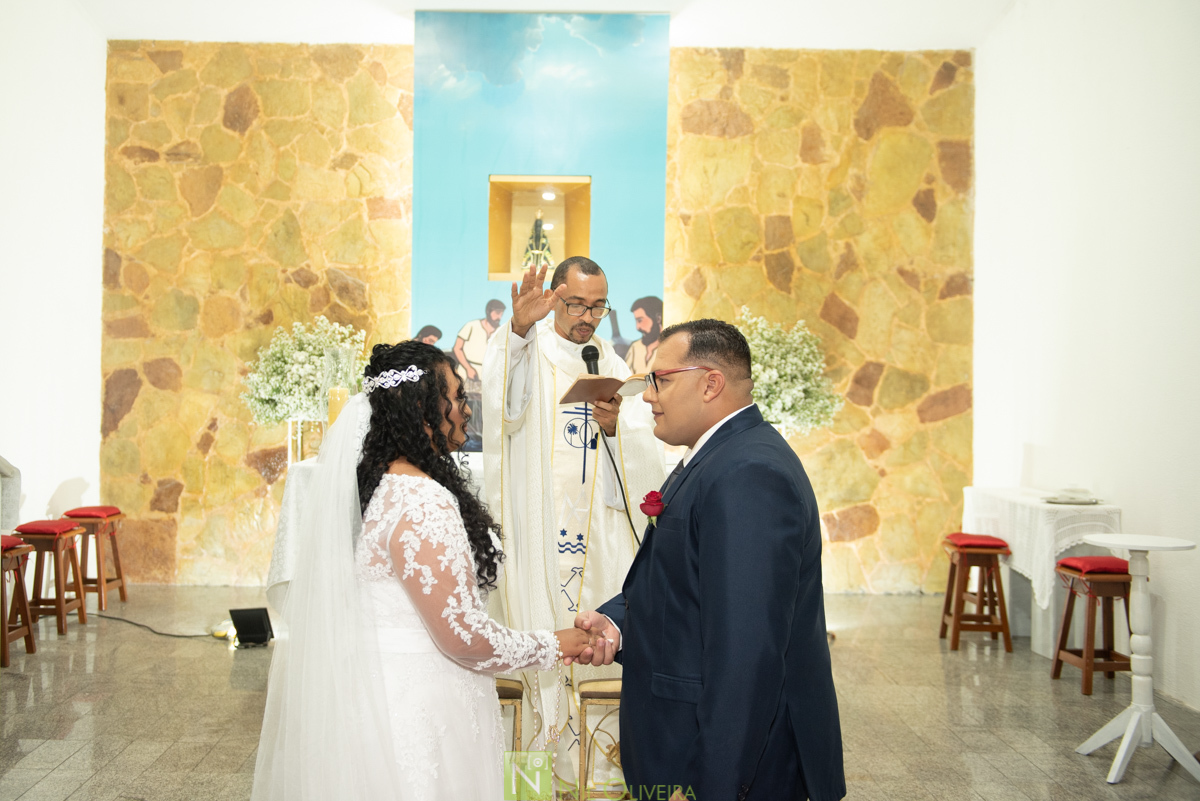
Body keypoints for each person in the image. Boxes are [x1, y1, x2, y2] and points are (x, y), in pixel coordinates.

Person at [252, 341, 597, 801]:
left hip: (387, 689)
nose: (465, 409)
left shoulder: (384, 483)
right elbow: (460, 636)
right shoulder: (420, 500)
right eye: (455, 397)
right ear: (422, 408)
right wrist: (551, 645)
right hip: (418, 706)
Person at [571, 319, 846, 801]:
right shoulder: (719, 455)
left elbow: (746, 655)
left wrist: (710, 786)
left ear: (710, 383)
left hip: (724, 765)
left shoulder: (749, 474)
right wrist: (618, 622)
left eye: (661, 379)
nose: (648, 396)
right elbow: (685, 583)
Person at [481, 257, 665, 788]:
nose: (588, 317)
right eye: (577, 304)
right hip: (539, 533)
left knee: (595, 645)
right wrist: (517, 330)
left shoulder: (604, 358)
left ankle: (597, 778)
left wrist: (615, 429)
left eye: (597, 306)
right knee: (539, 635)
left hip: (598, 548)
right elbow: (503, 412)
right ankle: (535, 782)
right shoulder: (526, 349)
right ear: (555, 297)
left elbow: (637, 451)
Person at [453, 299, 505, 382]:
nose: (499, 317)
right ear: (488, 311)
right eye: (497, 313)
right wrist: (468, 368)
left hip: (487, 377)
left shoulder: (501, 332)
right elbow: (457, 348)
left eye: (501, 314)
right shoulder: (471, 326)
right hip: (465, 372)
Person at [624, 295, 663, 374]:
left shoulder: (671, 348)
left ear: (658, 318)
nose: (637, 327)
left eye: (640, 320)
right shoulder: (635, 347)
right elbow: (624, 380)